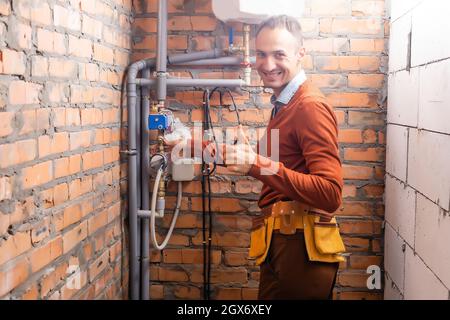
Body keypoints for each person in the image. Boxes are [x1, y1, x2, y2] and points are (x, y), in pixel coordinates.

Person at [166, 15, 346, 300]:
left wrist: (257, 164)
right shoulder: (285, 105)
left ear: (301, 54)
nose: (268, 64)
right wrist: (188, 146)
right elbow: (251, 158)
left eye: (279, 54)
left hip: (301, 248)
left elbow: (330, 193)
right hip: (285, 243)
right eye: (261, 54)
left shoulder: (309, 106)